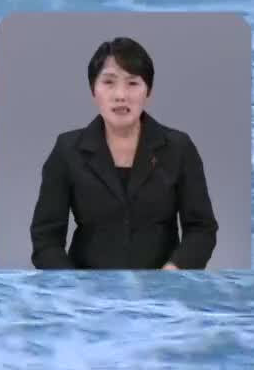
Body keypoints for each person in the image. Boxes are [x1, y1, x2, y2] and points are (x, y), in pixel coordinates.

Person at [28, 36, 219, 269]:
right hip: (86, 296)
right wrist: (75, 289)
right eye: (109, 82)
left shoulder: (178, 148)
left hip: (162, 292)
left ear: (148, 90)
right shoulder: (67, 150)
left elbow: (202, 229)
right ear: (93, 89)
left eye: (132, 83)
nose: (120, 95)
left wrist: (173, 274)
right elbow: (45, 239)